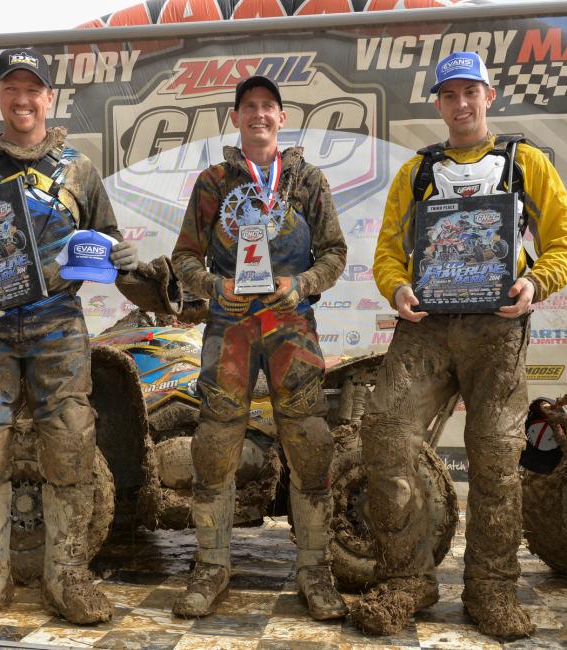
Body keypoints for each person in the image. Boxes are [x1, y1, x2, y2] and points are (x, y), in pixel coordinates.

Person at [350, 51, 567, 639]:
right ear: (438, 103)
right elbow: (387, 252)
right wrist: (397, 288)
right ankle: (407, 579)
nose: (461, 104)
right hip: (425, 327)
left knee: (498, 458)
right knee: (385, 435)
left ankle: (491, 589)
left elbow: (564, 242)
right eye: (449, 95)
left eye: (469, 92)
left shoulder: (524, 161)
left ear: (488, 95)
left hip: (496, 330)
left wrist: (535, 282)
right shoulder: (418, 171)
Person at [0, 47, 138, 627]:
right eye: (11, 88)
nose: (22, 99)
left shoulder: (78, 168)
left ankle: (68, 575)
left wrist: (122, 255)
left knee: (70, 444)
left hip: (56, 326)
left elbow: (103, 240)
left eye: (32, 89)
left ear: (47, 98)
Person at [170, 75, 348, 620]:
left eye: (268, 107)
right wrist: (212, 287)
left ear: (281, 117)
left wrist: (300, 285)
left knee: (311, 443)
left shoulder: (307, 181)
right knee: (216, 441)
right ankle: (210, 566)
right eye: (249, 107)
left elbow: (335, 254)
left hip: (292, 326)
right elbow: (183, 260)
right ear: (236, 117)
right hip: (230, 329)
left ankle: (315, 571)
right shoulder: (214, 182)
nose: (259, 115)